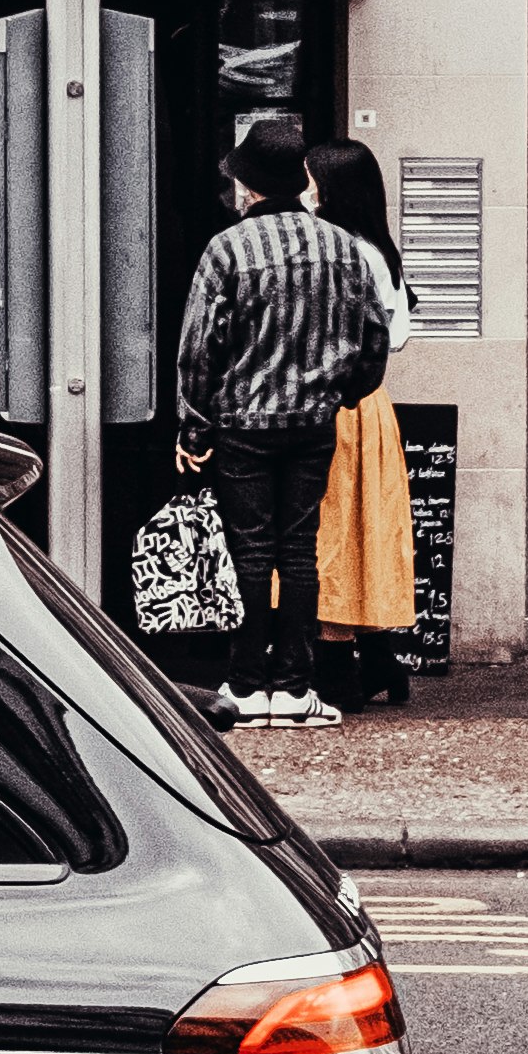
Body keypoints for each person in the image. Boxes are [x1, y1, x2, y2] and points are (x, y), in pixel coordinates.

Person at [168, 123, 398, 731]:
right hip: (313, 422)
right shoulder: (342, 247)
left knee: (251, 549)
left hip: (243, 421)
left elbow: (198, 351)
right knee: (299, 551)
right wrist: (345, 390)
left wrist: (194, 428)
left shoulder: (227, 250)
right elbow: (374, 337)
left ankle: (246, 682)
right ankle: (294, 688)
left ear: (250, 186)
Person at [302, 137, 422, 710]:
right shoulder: (379, 249)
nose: (301, 191)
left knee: (336, 533)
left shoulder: (343, 251)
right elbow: (396, 334)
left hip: (339, 402)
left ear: (331, 190)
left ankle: (336, 669)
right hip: (371, 404)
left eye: (309, 180)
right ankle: (379, 660)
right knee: (366, 531)